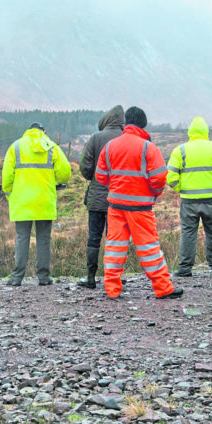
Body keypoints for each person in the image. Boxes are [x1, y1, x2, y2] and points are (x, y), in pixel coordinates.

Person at [96, 106, 182, 299]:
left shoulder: (110, 146)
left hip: (116, 207)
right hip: (140, 209)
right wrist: (155, 192)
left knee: (114, 247)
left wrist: (116, 186)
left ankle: (112, 289)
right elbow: (160, 177)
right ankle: (163, 288)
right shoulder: (147, 147)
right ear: (143, 124)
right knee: (149, 248)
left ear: (127, 123)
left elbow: (100, 176)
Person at [1, 122, 71, 286]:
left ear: (28, 131)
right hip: (44, 201)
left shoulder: (16, 146)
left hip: (22, 201)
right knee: (44, 238)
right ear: (43, 131)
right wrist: (55, 181)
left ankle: (17, 277)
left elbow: (6, 178)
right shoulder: (52, 146)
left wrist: (11, 194)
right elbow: (65, 173)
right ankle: (44, 277)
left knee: (22, 238)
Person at [167, 116, 212, 277]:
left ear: (190, 132)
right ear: (206, 131)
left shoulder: (180, 150)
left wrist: (183, 189)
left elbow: (171, 178)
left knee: (188, 233)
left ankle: (185, 268)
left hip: (189, 201)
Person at [77, 105, 125, 289]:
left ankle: (90, 277)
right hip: (119, 198)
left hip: (97, 198)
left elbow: (85, 167)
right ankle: (113, 278)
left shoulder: (96, 138)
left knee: (94, 237)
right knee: (115, 239)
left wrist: (94, 179)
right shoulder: (126, 138)